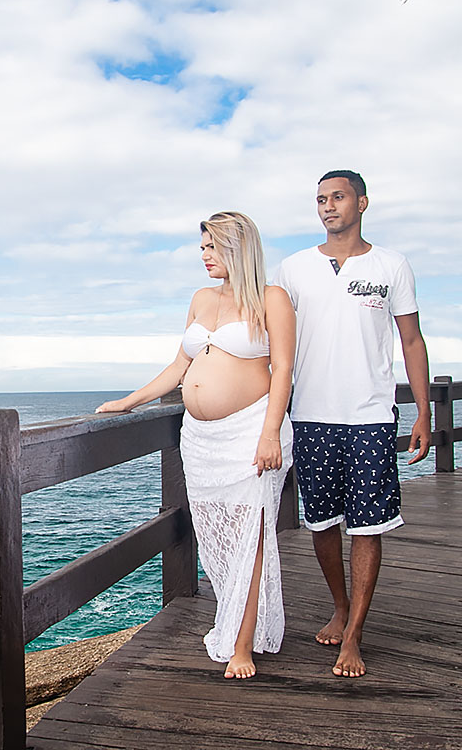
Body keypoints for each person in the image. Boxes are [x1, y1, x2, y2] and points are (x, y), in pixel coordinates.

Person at [97, 211, 295, 680]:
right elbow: (178, 366)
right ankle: (237, 620)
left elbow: (284, 369)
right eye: (202, 247)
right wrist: (128, 402)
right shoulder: (201, 299)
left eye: (211, 247)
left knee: (250, 536)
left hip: (251, 432)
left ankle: (242, 645)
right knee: (216, 537)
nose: (204, 256)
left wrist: (270, 433)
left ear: (238, 247)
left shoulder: (272, 298)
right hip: (202, 440)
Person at [274, 170, 431, 678]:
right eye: (320, 199)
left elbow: (411, 340)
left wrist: (424, 410)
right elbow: (273, 342)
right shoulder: (293, 269)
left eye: (337, 197)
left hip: (369, 417)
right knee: (321, 524)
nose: (327, 206)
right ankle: (339, 607)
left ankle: (355, 633)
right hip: (310, 416)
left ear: (361, 202)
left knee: (368, 526)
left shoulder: (391, 265)